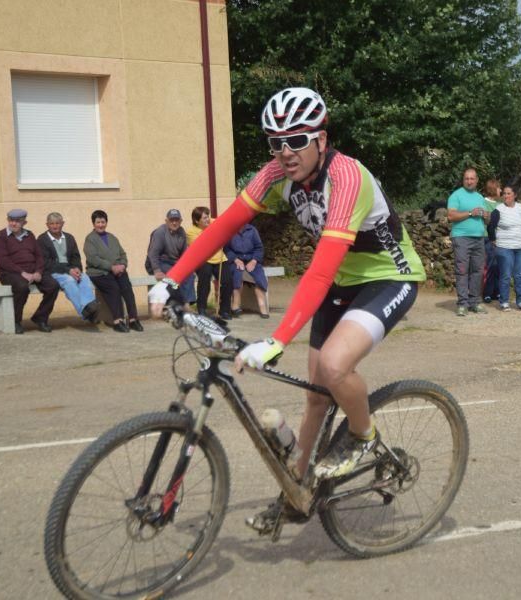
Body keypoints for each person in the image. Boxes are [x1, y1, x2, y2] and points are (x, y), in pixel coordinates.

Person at [148, 87, 426, 529]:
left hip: (388, 278)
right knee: (316, 396)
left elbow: (318, 270)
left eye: (296, 140)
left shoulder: (348, 178)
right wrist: (172, 278)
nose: (285, 152)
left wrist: (277, 340)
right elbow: (222, 227)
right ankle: (296, 493)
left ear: (321, 139)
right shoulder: (275, 174)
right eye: (275, 142)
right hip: (341, 283)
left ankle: (363, 436)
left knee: (335, 367)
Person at [0, 208, 59, 334]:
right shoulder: (1, 236)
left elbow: (39, 256)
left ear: (24, 223)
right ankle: (16, 321)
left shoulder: (30, 235)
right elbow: (3, 260)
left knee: (53, 285)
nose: (13, 223)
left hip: (32, 272)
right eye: (11, 220)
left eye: (17, 221)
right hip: (9, 273)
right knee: (22, 287)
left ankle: (40, 318)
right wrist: (22, 273)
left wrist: (38, 271)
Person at [84, 210, 143, 332]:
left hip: (118, 271)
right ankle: (117, 321)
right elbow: (93, 259)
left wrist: (123, 265)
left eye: (103, 222)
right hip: (99, 272)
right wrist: (112, 267)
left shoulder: (112, 237)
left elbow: (123, 254)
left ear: (106, 222)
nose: (101, 225)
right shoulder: (90, 239)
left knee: (127, 289)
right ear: (93, 224)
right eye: (98, 222)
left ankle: (133, 319)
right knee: (114, 289)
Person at [37, 212, 99, 324]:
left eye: (57, 223)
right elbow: (46, 262)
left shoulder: (69, 238)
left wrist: (77, 269)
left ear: (62, 224)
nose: (55, 226)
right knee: (69, 280)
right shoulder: (42, 240)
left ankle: (89, 308)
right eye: (52, 223)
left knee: (84, 278)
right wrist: (68, 271)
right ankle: (85, 311)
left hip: (71, 270)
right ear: (47, 225)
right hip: (53, 272)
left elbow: (76, 256)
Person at [447, 168, 490, 316]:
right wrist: (471, 213)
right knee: (462, 270)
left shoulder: (480, 197)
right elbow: (451, 216)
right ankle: (462, 304)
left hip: (479, 237)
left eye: (472, 179)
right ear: (463, 180)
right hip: (461, 237)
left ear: (477, 180)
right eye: (467, 178)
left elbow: (487, 219)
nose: (469, 181)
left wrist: (486, 215)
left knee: (478, 271)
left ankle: (475, 302)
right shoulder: (456, 195)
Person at [186, 206, 235, 319]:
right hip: (203, 259)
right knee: (205, 280)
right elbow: (201, 248)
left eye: (207, 216)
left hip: (220, 258)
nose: (208, 219)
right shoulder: (190, 232)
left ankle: (224, 310)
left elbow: (225, 223)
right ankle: (202, 308)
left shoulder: (214, 222)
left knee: (228, 281)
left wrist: (223, 232)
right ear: (197, 221)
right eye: (204, 218)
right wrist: (216, 236)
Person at [487, 186, 521, 311]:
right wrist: (493, 240)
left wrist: (520, 236)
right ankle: (504, 301)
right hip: (504, 247)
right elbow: (491, 227)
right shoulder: (498, 210)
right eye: (504, 194)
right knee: (505, 275)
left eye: (508, 193)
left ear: (514, 195)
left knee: (519, 275)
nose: (506, 196)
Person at [146, 209, 196, 304]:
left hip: (173, 262)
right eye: (171, 220)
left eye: (177, 220)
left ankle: (187, 303)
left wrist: (187, 267)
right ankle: (175, 305)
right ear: (166, 221)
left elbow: (184, 253)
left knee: (189, 274)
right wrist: (156, 270)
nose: (174, 223)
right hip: (158, 262)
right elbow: (153, 254)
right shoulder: (160, 232)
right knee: (174, 276)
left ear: (180, 221)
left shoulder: (181, 232)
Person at [225, 223, 269, 318]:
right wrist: (235, 259)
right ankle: (236, 304)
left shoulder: (252, 230)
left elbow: (259, 248)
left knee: (259, 276)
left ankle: (262, 306)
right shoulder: (230, 231)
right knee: (237, 274)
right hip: (236, 260)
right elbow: (227, 249)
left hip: (251, 259)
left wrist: (253, 261)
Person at [481, 178, 501, 304]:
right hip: (487, 237)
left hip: (498, 238)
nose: (501, 190)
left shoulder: (500, 205)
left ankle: (496, 291)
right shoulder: (483, 202)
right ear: (494, 189)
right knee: (490, 265)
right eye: (499, 187)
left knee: (497, 265)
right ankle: (488, 292)